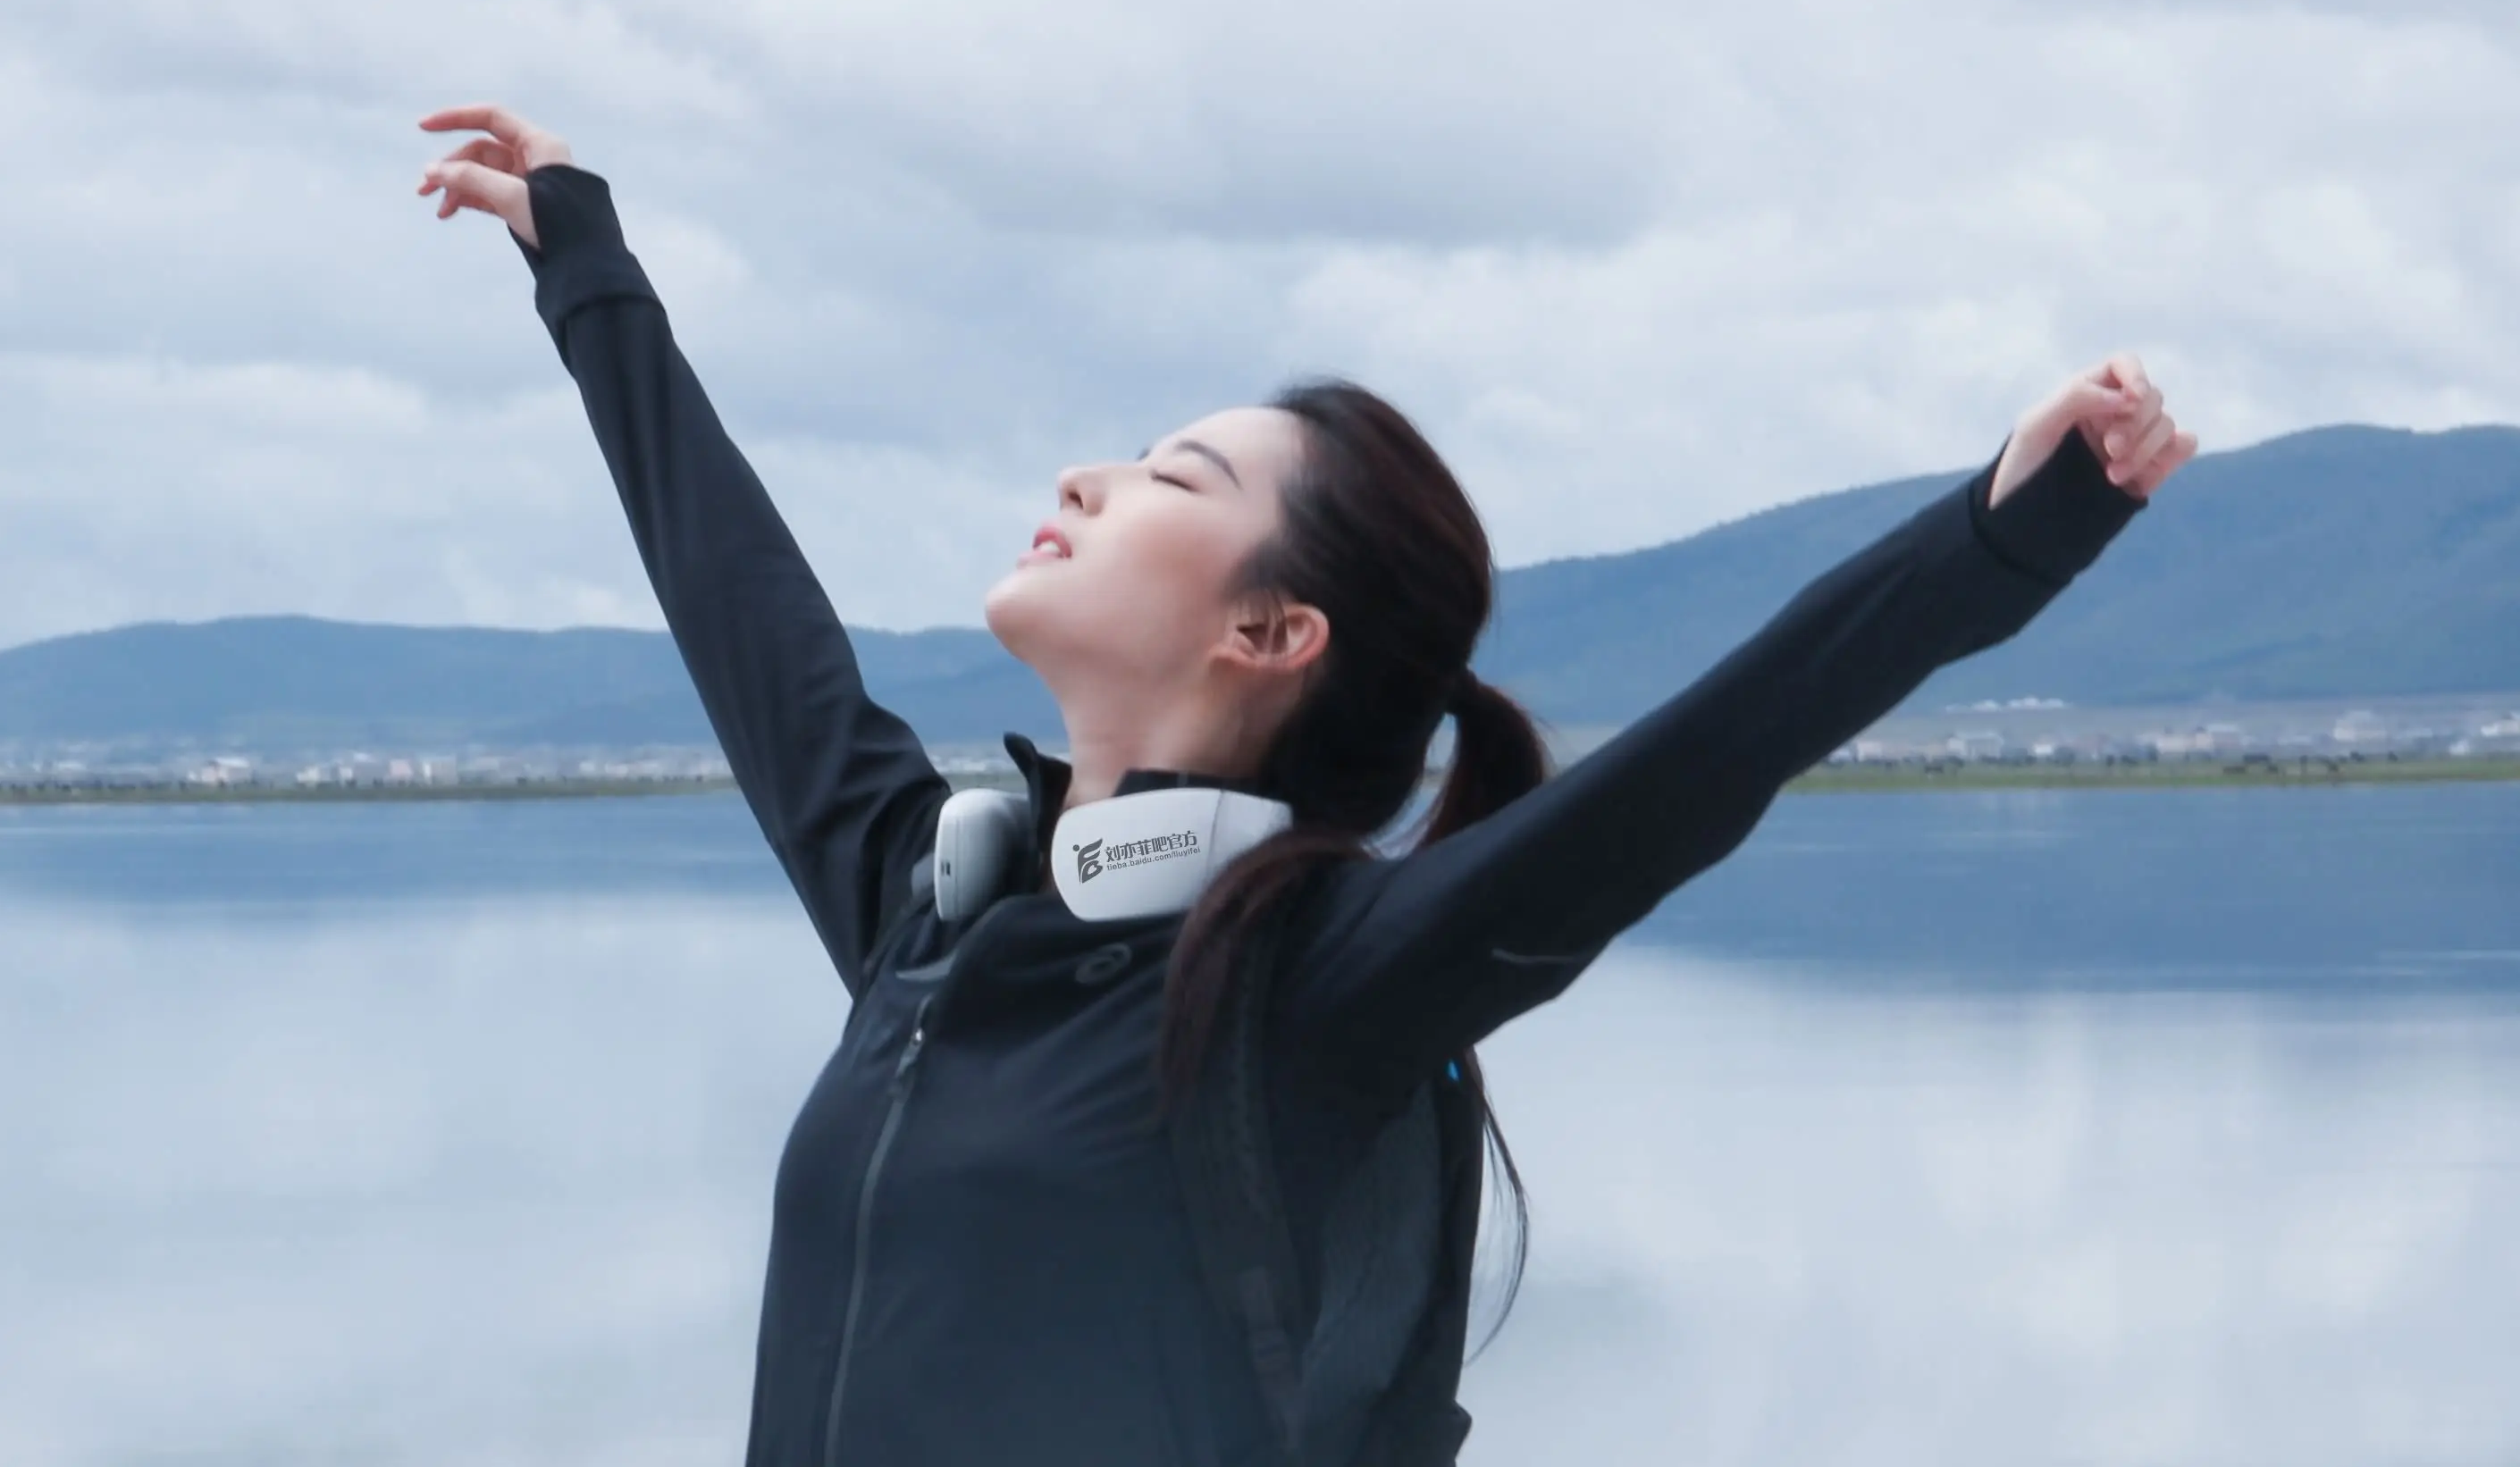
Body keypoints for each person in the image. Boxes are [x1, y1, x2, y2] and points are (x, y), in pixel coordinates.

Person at [416, 101, 2195, 1467]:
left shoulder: (1314, 983)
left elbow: (1706, 757)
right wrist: (588, 266)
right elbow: (748, 618)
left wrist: (1999, 540)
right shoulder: (934, 913)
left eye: (1171, 474)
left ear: (1274, 626)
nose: (1086, 477)